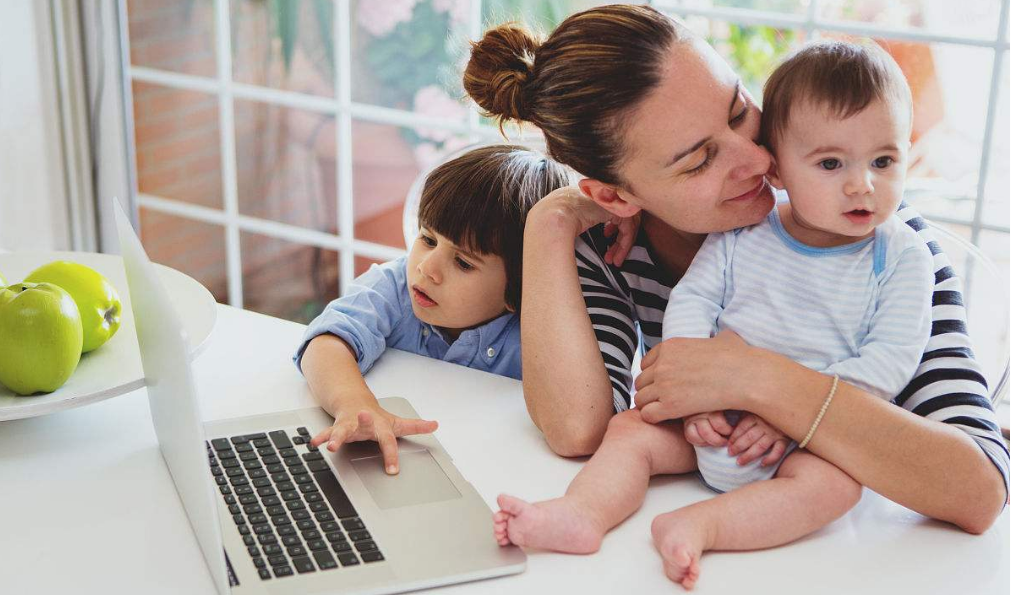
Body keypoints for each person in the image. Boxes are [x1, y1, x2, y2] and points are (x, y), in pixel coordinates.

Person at [463, 2, 1007, 556]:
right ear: (615, 196)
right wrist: (551, 219)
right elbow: (577, 428)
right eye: (700, 160)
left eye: (739, 109)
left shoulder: (873, 235)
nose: (757, 160)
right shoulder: (612, 247)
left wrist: (756, 380)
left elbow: (980, 491)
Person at [293, 144, 572, 475]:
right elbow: (325, 343)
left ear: (522, 287)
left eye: (463, 262)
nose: (427, 268)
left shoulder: (542, 328)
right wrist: (354, 405)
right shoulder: (397, 284)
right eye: (427, 239)